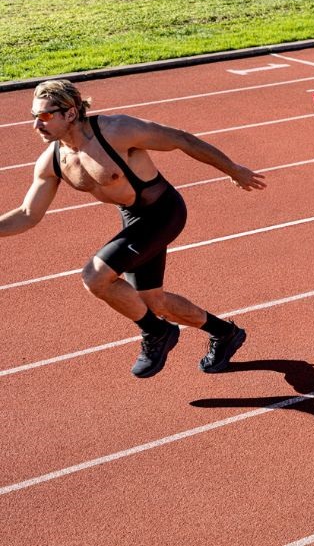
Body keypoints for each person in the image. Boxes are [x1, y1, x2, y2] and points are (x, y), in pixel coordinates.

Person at [0, 80, 266, 377]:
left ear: (71, 113)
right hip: (133, 219)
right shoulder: (51, 161)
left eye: (46, 116)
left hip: (164, 212)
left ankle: (157, 334)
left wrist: (234, 170)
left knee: (95, 276)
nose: (37, 124)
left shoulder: (117, 131)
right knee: (155, 302)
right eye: (34, 116)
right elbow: (27, 214)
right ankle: (225, 333)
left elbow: (181, 139)